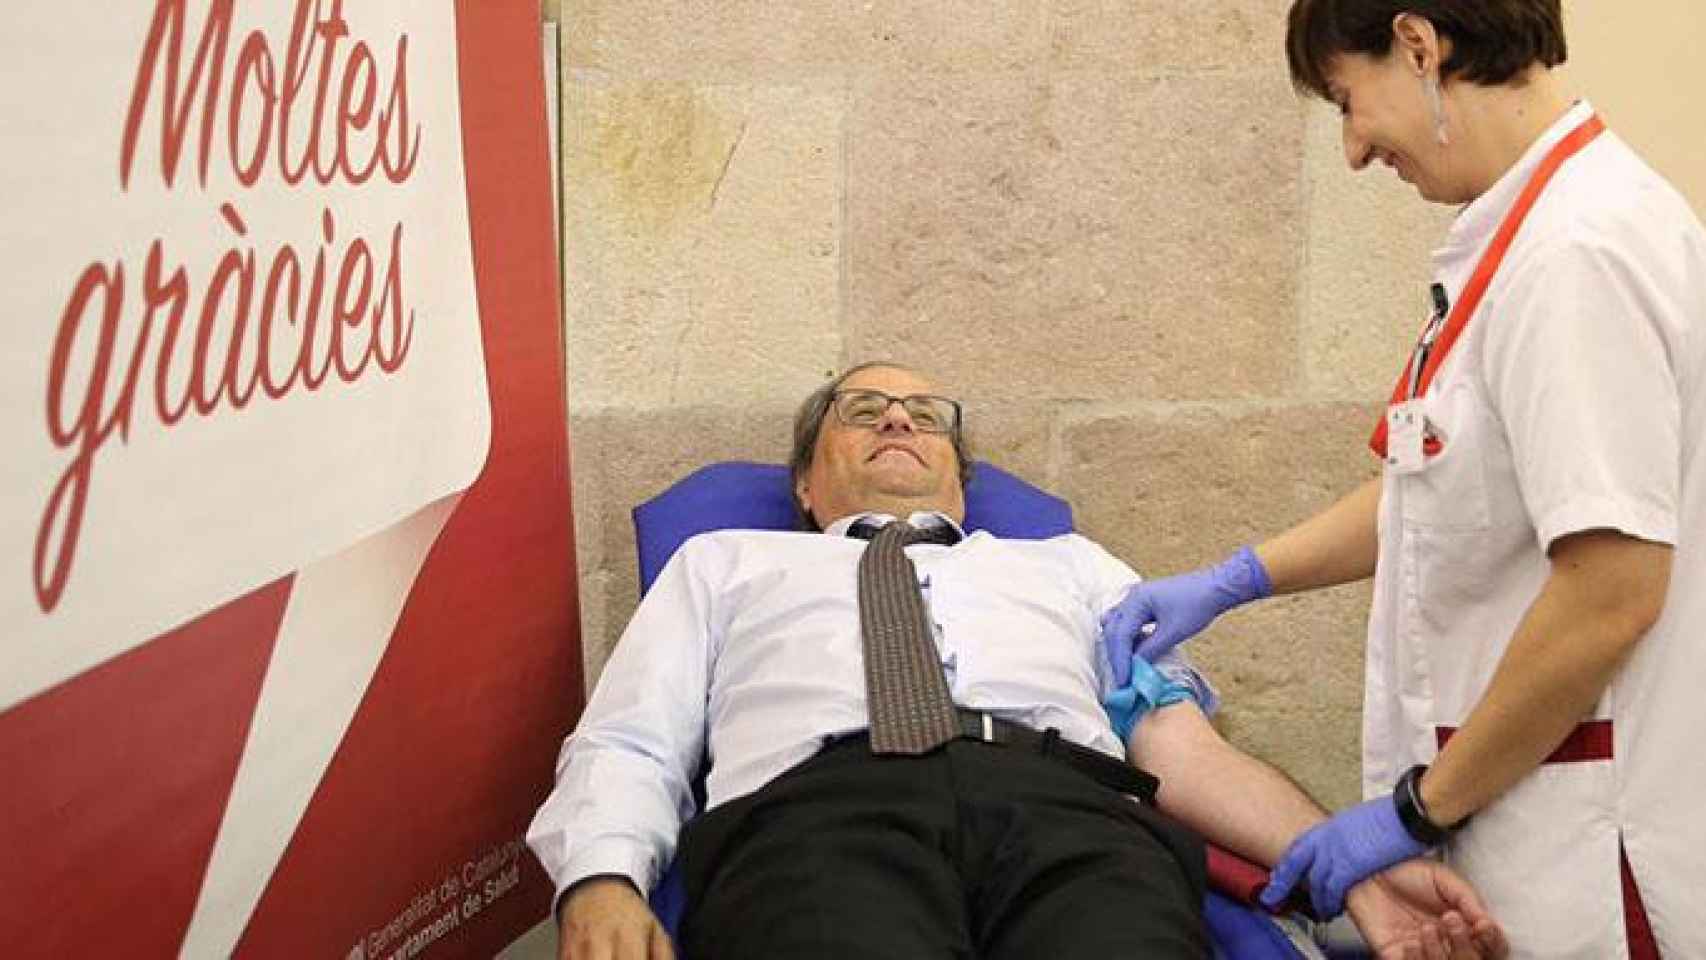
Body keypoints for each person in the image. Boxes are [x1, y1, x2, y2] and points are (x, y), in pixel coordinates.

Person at [529, 361, 1507, 960]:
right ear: (801, 480)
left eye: (926, 415)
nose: (901, 422)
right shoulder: (725, 562)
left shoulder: (1070, 567)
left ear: (961, 474)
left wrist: (1350, 871)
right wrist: (600, 880)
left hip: (1073, 821)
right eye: (862, 408)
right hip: (815, 821)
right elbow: (628, 740)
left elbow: (1183, 752)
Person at [1100, 2, 1705, 956]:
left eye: (1348, 101)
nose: (1351, 149)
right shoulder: (1529, 240)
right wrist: (1238, 577)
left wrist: (1416, 812)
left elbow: (1612, 590)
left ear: (1420, 47)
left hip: (1590, 845)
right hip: (1522, 816)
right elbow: (1441, 492)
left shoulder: (1576, 256)